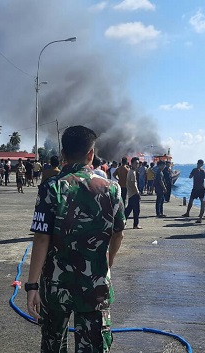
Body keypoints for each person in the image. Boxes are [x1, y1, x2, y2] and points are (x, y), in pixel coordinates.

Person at [26, 125, 125, 352]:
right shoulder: (111, 190)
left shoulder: (51, 188)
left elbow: (41, 239)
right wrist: (108, 261)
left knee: (53, 343)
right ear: (91, 154)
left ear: (62, 154)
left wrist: (31, 285)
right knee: (94, 346)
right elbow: (118, 233)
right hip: (95, 284)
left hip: (55, 286)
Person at [124, 157, 142, 229]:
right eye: (136, 163)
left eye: (138, 163)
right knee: (136, 210)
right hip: (134, 193)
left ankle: (122, 221)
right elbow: (134, 183)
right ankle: (135, 224)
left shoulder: (131, 172)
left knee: (129, 209)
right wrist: (137, 192)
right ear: (132, 164)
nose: (137, 165)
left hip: (131, 193)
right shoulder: (132, 172)